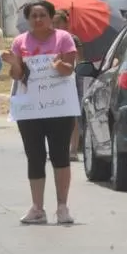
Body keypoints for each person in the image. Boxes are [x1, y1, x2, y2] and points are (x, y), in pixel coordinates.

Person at [4, 0, 78, 225]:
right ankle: (37, 208)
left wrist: (58, 66)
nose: (37, 20)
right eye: (33, 16)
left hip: (59, 108)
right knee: (34, 157)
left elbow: (69, 69)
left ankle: (62, 207)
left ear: (50, 17)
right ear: (28, 20)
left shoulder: (63, 39)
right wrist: (12, 63)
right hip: (30, 109)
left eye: (42, 15)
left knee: (60, 156)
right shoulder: (20, 42)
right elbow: (17, 76)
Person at [53, 9, 83, 161]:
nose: (56, 25)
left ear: (66, 23)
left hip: (72, 79)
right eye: (54, 23)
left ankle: (73, 150)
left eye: (58, 22)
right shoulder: (49, 39)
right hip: (53, 82)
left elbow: (78, 59)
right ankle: (58, 148)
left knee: (73, 114)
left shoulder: (73, 39)